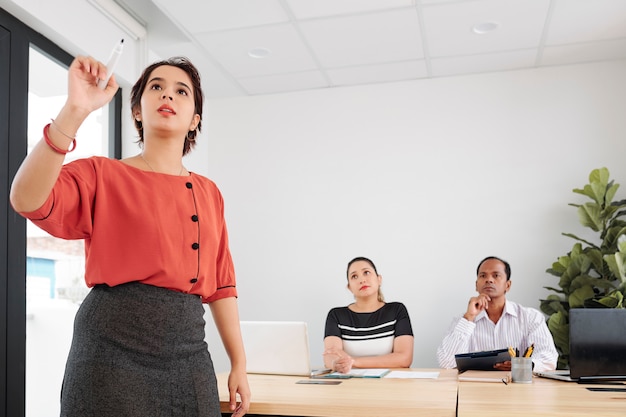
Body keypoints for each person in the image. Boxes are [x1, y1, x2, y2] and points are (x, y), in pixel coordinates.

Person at [10, 55, 250, 417]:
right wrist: (75, 110)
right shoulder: (102, 174)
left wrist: (239, 363)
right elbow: (26, 199)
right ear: (137, 110)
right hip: (111, 348)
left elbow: (222, 285)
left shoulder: (210, 192)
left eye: (181, 91)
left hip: (189, 352)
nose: (167, 95)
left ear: (194, 120)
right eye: (156, 87)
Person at [436, 256, 558, 372]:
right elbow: (446, 363)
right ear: (476, 285)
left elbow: (549, 358)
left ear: (508, 285)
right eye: (483, 276)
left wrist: (523, 365)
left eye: (496, 275)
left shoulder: (531, 318)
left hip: (517, 388)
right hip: (475, 390)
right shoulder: (463, 320)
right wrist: (469, 317)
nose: (489, 280)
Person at [323, 257, 414, 373]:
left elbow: (404, 358)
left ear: (379, 279)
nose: (362, 280)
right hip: (349, 384)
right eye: (354, 276)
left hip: (389, 385)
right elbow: (330, 355)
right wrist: (335, 364)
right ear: (349, 287)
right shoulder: (336, 315)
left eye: (366, 272)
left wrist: (354, 361)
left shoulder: (397, 310)